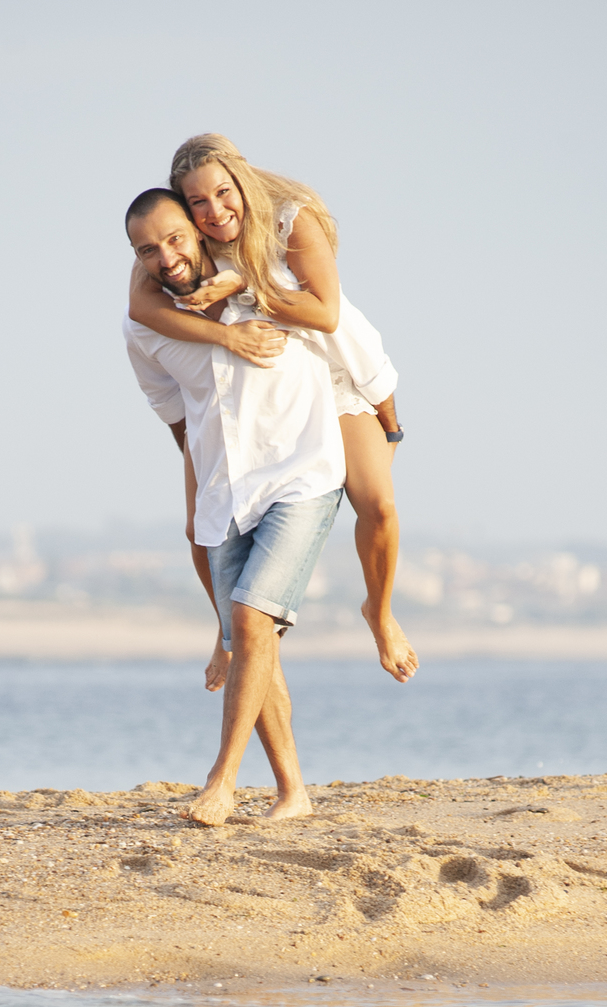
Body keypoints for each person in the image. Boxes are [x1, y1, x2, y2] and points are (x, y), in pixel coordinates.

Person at [128, 132, 418, 686]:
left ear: (241, 180)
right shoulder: (178, 246)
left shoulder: (289, 220)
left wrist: (390, 419)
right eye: (197, 202)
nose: (214, 212)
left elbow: (336, 321)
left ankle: (379, 614)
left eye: (222, 192)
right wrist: (225, 342)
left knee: (378, 504)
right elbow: (140, 308)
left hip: (331, 373)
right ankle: (227, 631)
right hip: (254, 393)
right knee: (198, 528)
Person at [124, 188, 346, 827]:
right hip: (226, 493)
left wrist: (385, 425)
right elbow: (180, 424)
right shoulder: (144, 328)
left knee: (250, 622)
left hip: (302, 476)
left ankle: (221, 781)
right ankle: (293, 793)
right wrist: (197, 512)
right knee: (254, 640)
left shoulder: (265, 283)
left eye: (175, 237)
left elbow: (344, 330)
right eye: (147, 249)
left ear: (199, 230)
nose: (166, 256)